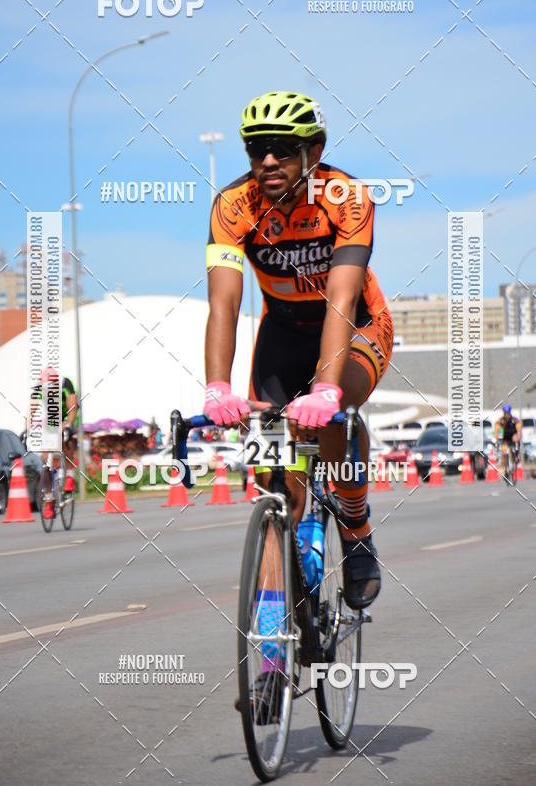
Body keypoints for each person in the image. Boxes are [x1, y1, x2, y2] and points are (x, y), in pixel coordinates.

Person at [203, 91, 394, 714]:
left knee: (332, 413)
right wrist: (216, 387)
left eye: (283, 149)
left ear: (314, 151)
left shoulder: (346, 198)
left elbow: (342, 293)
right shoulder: (233, 206)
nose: (268, 161)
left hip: (355, 325)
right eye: (257, 150)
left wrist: (329, 387)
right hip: (283, 335)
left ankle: (356, 523)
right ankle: (271, 664)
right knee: (274, 490)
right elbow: (226, 302)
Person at [27, 367, 78, 515]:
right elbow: (31, 411)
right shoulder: (38, 387)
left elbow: (72, 407)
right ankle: (49, 498)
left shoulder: (65, 384)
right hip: (52, 419)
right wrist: (27, 430)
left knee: (64, 439)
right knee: (45, 458)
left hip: (67, 416)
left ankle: (70, 476)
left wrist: (68, 425)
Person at [493, 403, 522, 478]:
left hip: (513, 436)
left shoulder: (515, 420)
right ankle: (506, 468)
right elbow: (496, 431)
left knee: (515, 447)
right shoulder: (500, 421)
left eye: (508, 413)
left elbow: (519, 431)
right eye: (505, 413)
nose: (506, 415)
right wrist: (496, 439)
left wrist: (518, 437)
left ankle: (516, 457)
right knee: (504, 452)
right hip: (505, 438)